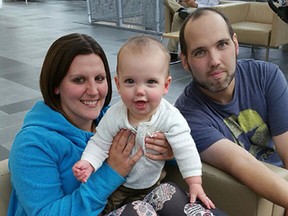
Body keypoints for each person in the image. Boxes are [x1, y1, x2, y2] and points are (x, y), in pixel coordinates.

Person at [7, 32, 216, 216]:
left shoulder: (114, 117)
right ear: (55, 85)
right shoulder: (32, 145)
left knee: (168, 194)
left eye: (99, 78)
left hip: (129, 202)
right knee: (139, 211)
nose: (93, 90)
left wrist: (167, 151)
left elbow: (167, 154)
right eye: (79, 80)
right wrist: (112, 172)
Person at [72, 35, 215, 214]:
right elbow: (99, 142)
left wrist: (194, 183)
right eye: (130, 81)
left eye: (151, 82)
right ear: (118, 84)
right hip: (115, 188)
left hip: (150, 186)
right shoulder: (114, 114)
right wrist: (88, 162)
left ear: (166, 85)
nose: (140, 91)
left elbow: (186, 149)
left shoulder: (170, 117)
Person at [175, 7, 288, 214]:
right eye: (200, 52)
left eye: (222, 45)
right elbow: (240, 163)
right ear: (184, 61)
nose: (215, 61)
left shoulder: (266, 76)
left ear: (235, 44)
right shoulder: (186, 115)